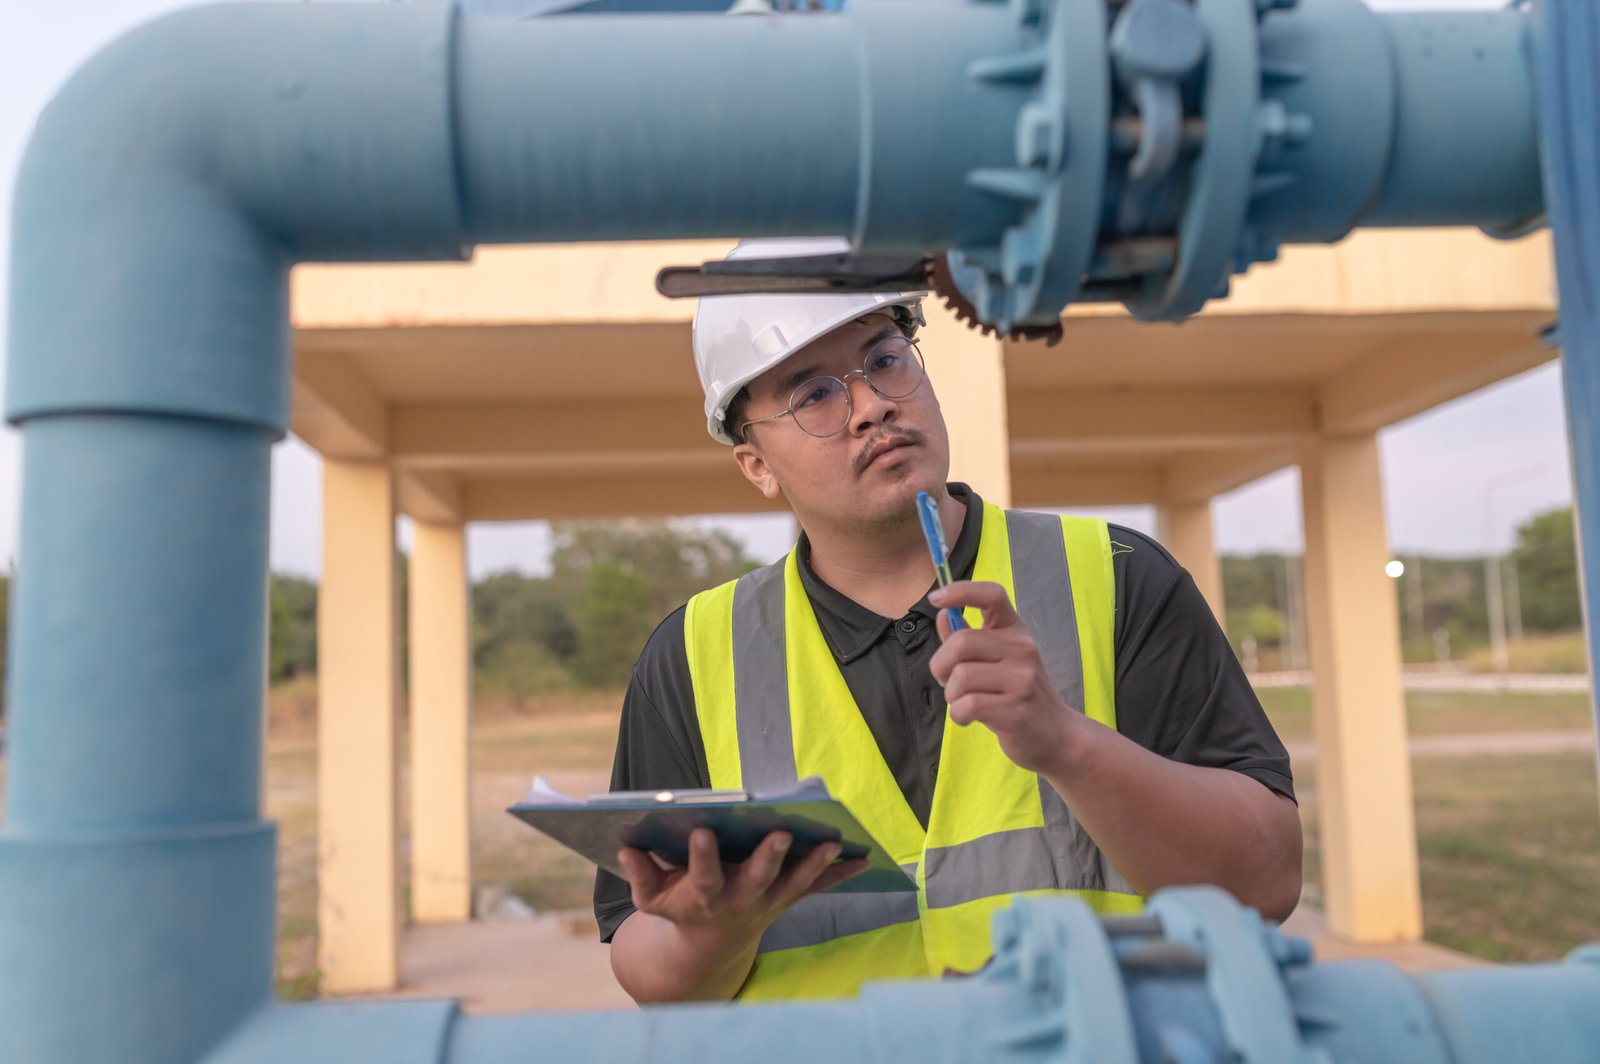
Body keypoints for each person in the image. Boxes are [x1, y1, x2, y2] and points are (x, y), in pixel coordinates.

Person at [592, 237, 1301, 1004]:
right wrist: (710, 935)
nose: (873, 405)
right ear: (756, 463)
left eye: (885, 359)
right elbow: (641, 955)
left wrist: (1067, 745)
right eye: (815, 395)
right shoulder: (692, 656)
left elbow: (1265, 884)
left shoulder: (1118, 576)